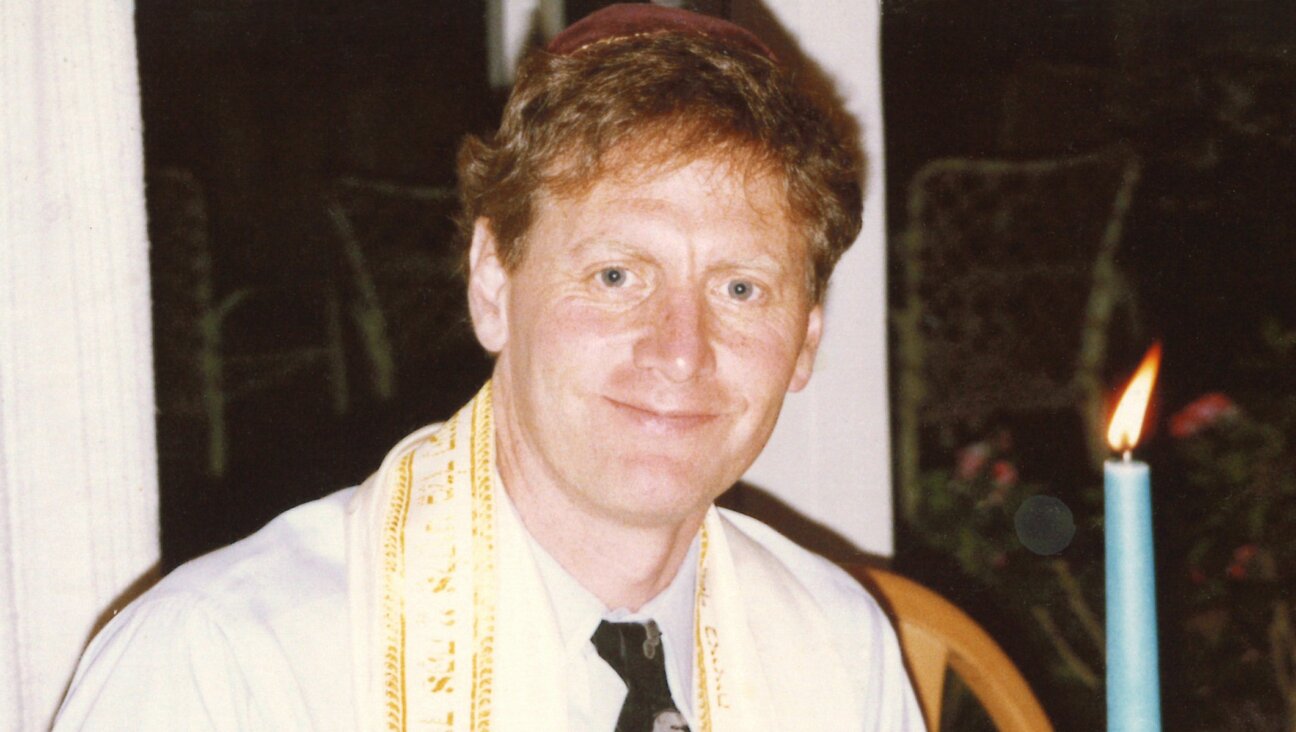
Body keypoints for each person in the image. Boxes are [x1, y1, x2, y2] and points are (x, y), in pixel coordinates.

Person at [55, 5, 924, 730]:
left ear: (805, 341)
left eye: (740, 288)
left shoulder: (836, 652)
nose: (680, 349)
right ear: (493, 287)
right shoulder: (230, 667)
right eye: (616, 276)